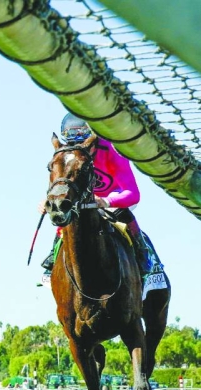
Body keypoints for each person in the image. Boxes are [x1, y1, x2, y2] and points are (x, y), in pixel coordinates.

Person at [39, 113, 160, 281]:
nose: (78, 149)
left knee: (121, 213)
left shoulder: (113, 149)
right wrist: (49, 200)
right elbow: (61, 183)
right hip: (84, 196)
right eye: (73, 144)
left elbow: (133, 193)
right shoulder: (65, 155)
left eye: (84, 145)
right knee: (66, 214)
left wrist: (106, 201)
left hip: (115, 195)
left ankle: (141, 253)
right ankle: (54, 256)